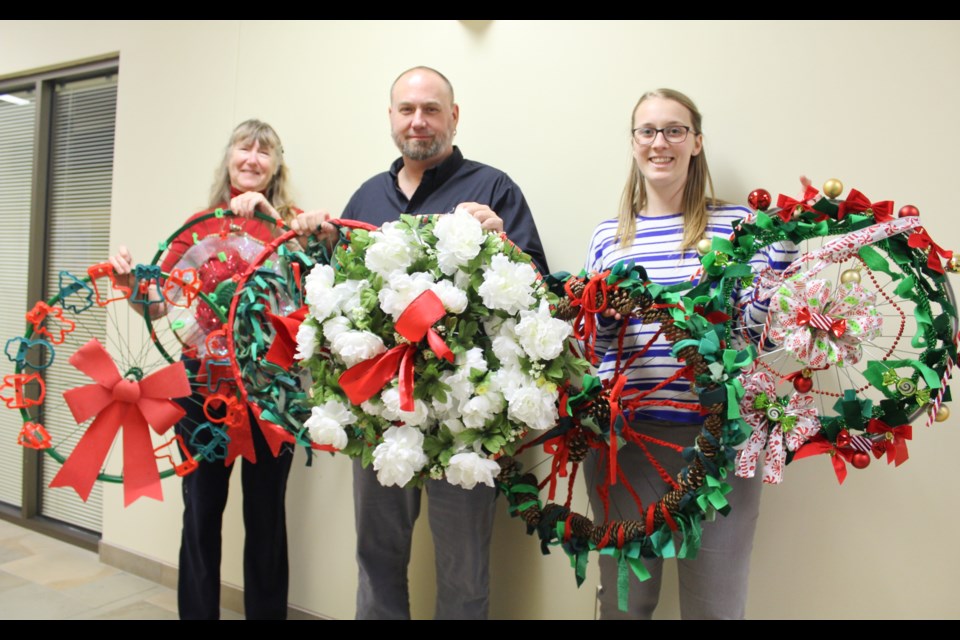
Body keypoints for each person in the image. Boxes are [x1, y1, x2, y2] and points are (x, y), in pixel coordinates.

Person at [339, 66, 548, 620]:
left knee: (463, 571)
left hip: (464, 423)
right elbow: (333, 305)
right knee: (376, 560)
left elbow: (540, 294)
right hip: (379, 417)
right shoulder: (364, 198)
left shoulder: (493, 189)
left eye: (431, 109)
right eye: (406, 109)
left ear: (453, 117)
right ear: (391, 117)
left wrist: (500, 238)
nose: (418, 120)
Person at [583, 89, 797, 619]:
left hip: (720, 443)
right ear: (633, 144)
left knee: (716, 606)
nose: (661, 142)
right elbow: (592, 352)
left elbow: (759, 341)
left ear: (697, 142)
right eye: (648, 131)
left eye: (675, 130)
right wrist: (604, 323)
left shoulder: (739, 227)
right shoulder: (609, 237)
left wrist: (780, 265)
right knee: (625, 606)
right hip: (626, 443)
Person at [109, 119, 328, 619]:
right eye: (243, 148)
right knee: (201, 515)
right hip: (202, 392)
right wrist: (132, 286)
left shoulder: (294, 224)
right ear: (228, 157)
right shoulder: (199, 225)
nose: (252, 158)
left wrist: (275, 219)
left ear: (276, 165)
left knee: (267, 518)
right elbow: (162, 304)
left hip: (272, 395)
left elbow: (320, 293)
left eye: (264, 151)